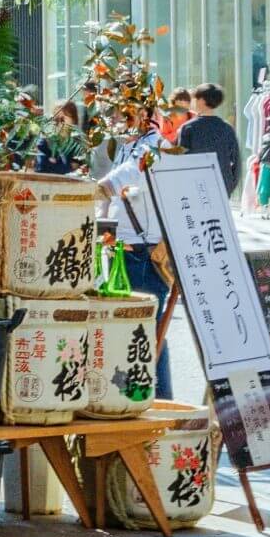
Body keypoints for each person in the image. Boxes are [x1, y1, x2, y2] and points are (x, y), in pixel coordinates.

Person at [100, 106, 173, 398]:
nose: (113, 120)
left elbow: (120, 180)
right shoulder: (128, 146)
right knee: (139, 330)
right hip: (126, 248)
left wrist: (87, 192)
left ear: (142, 114)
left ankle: (159, 399)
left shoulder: (154, 146)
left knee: (147, 330)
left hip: (143, 253)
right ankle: (140, 397)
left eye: (120, 114)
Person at [178, 83, 242, 196]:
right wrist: (230, 186)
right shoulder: (227, 128)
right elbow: (236, 161)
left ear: (202, 101)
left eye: (195, 98)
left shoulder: (188, 128)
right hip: (222, 186)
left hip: (196, 187)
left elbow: (181, 162)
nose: (193, 102)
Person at [36, 99, 85, 176]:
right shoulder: (45, 140)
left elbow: (80, 168)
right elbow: (41, 167)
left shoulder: (77, 142)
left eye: (62, 119)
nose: (58, 122)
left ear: (73, 119)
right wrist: (68, 167)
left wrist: (55, 164)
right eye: (55, 119)